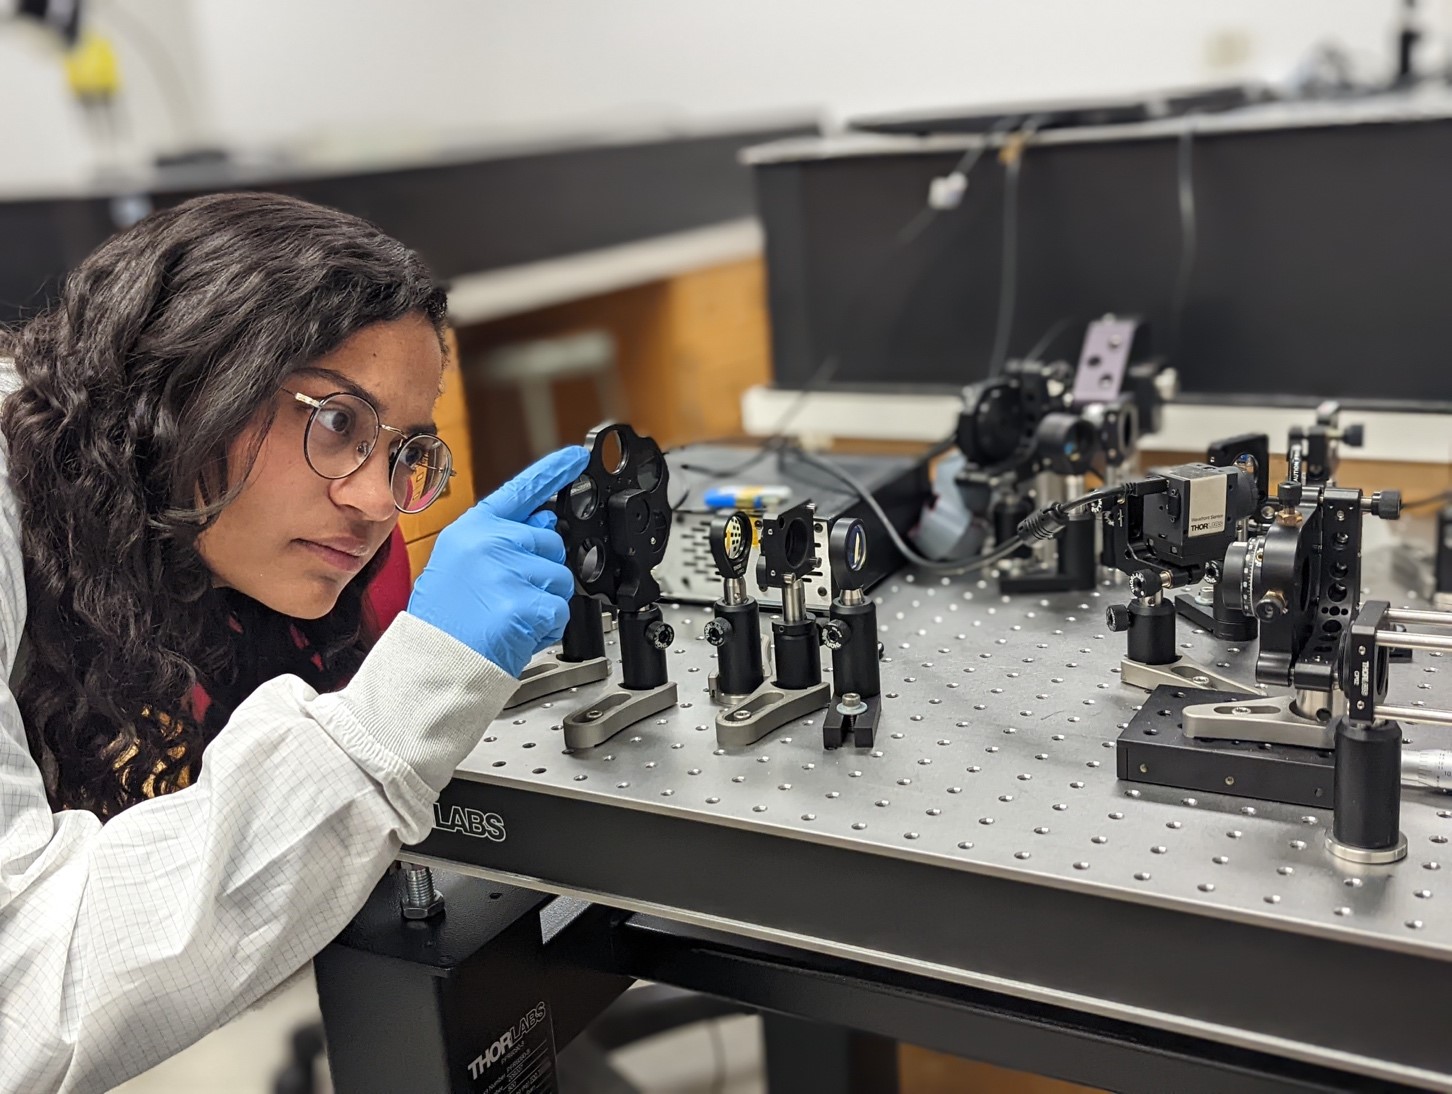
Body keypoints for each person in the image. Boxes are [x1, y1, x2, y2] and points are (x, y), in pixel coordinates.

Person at [0, 191, 587, 1093]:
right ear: (184, 382)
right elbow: (30, 997)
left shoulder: (103, 516)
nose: (378, 502)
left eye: (405, 451)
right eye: (337, 422)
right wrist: (407, 704)